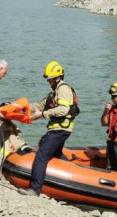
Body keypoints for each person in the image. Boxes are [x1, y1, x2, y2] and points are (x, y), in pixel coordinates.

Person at [19, 61, 79, 196]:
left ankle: (34, 189)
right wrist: (22, 107)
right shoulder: (54, 91)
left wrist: (43, 114)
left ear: (58, 77)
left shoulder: (63, 89)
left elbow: (63, 110)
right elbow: (40, 105)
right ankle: (72, 176)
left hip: (60, 130)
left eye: (50, 79)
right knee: (57, 154)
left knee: (41, 155)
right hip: (58, 129)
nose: (48, 81)